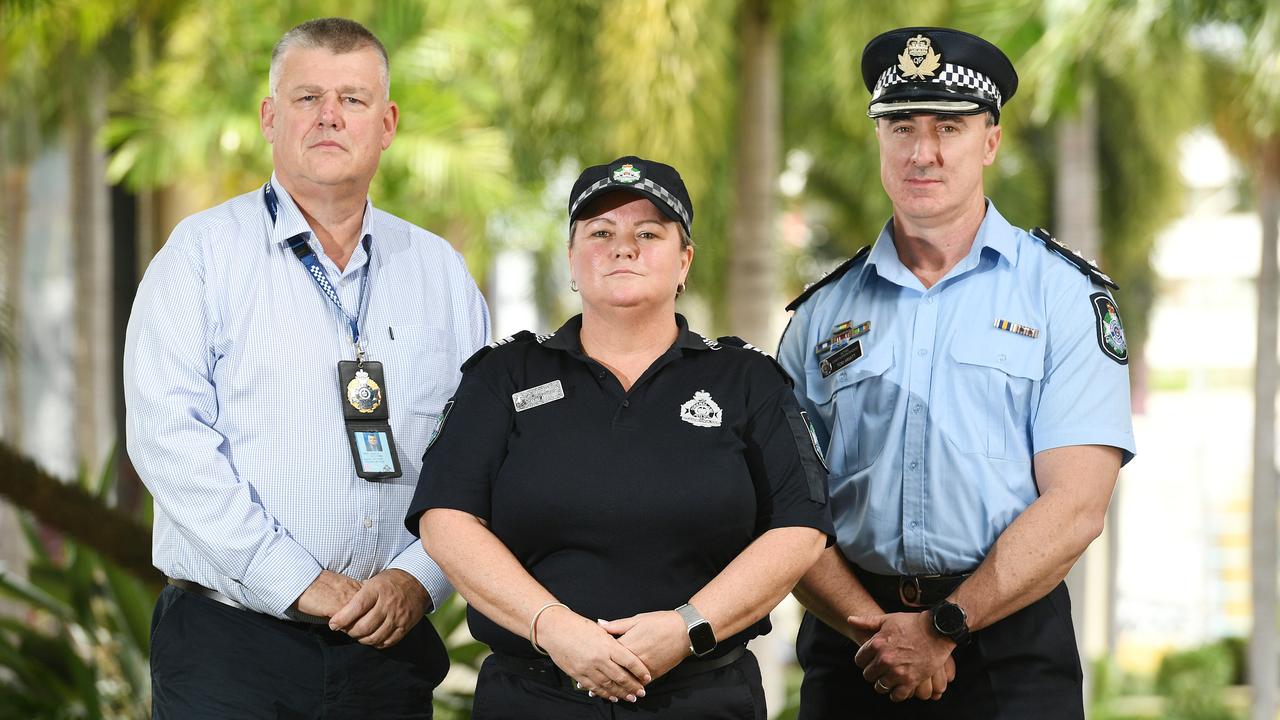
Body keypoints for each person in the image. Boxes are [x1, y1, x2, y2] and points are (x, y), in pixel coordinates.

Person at [123, 17, 489, 719]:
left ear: (386, 124)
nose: (329, 116)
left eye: (352, 100)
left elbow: (474, 453)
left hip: (390, 651)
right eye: (306, 97)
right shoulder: (200, 256)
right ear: (269, 117)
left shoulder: (439, 273)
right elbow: (168, 441)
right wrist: (298, 581)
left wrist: (420, 578)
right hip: (230, 651)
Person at [778, 27, 1136, 719]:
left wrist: (943, 627)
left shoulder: (1061, 296)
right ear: (878, 140)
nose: (924, 152)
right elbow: (790, 507)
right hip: (857, 647)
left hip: (1010, 648)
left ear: (990, 142)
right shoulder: (821, 316)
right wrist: (878, 631)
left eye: (950, 126)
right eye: (901, 126)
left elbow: (1076, 507)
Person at [406, 156, 833, 719]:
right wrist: (554, 627)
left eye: (648, 233)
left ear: (685, 261)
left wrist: (687, 626)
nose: (622, 247)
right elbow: (446, 517)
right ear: (572, 260)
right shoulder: (505, 375)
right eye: (600, 232)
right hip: (534, 698)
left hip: (702, 699)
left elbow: (799, 529)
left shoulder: (746, 380)